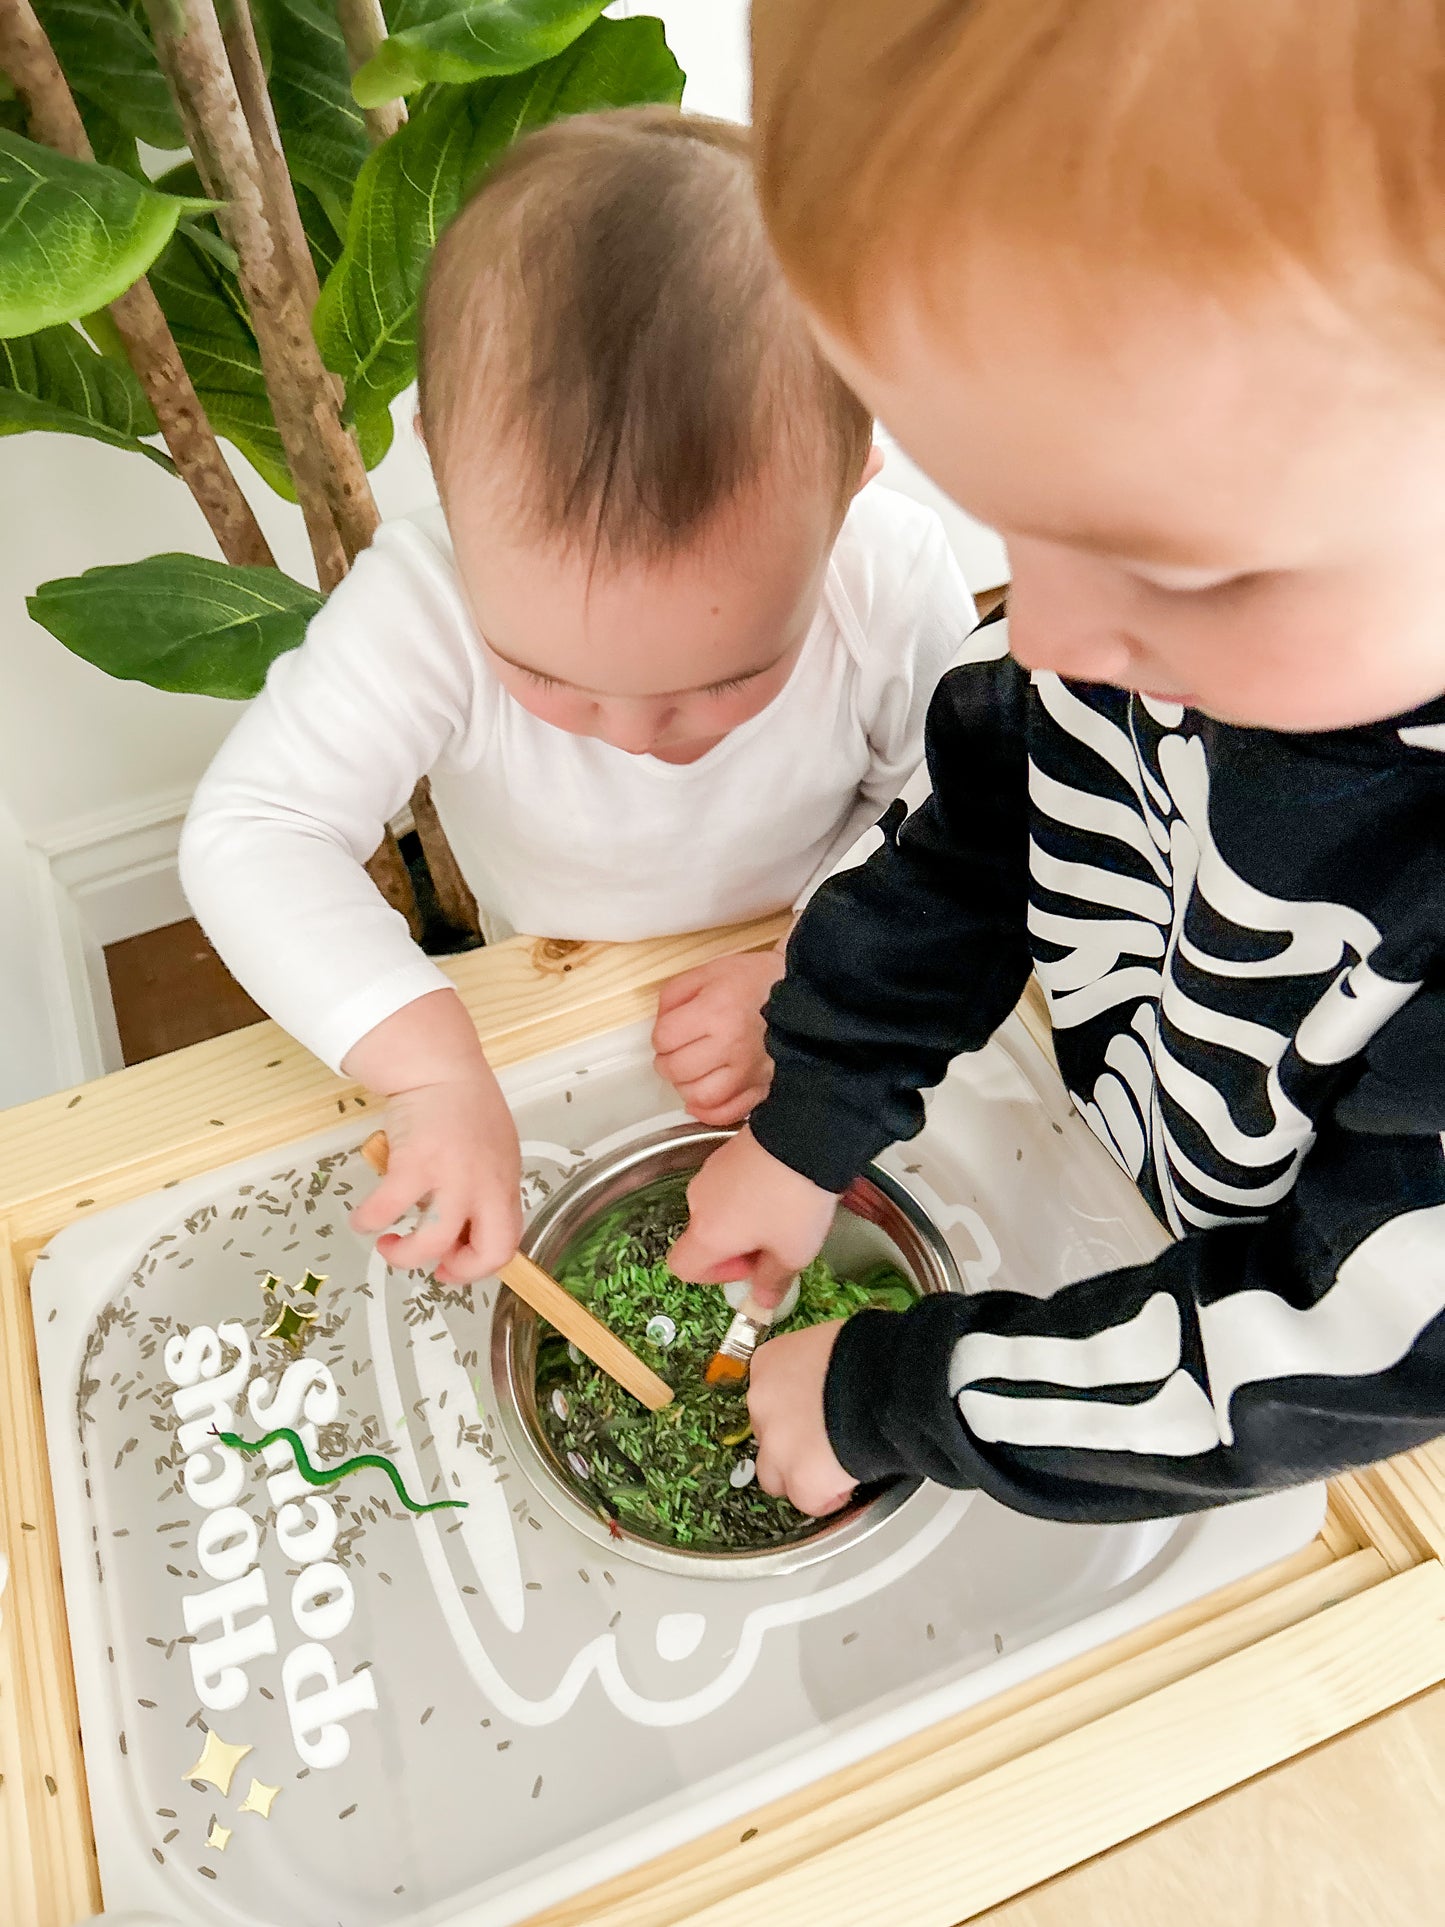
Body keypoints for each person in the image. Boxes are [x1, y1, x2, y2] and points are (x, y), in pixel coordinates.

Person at [668, 0, 1445, 1523]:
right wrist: (809, 1119)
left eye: (1186, 570)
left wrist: (887, 1394)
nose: (1050, 634)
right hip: (1120, 1163)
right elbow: (976, 835)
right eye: (1010, 524)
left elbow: (1322, 1348)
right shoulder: (1121, 619)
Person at [180, 107, 973, 1287]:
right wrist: (432, 1068)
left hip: (815, 982)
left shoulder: (890, 576)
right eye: (545, 675)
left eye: (725, 679)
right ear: (447, 485)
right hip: (546, 990)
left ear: (849, 492)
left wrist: (813, 969)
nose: (637, 735)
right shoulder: (424, 601)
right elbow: (254, 832)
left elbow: (955, 810)